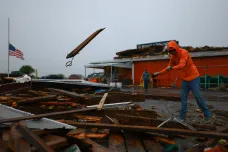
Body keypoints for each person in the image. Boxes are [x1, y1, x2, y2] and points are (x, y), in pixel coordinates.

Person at [152, 40, 214, 122]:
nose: (172, 52)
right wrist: (159, 73)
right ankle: (182, 117)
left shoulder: (184, 52)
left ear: (176, 48)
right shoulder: (173, 58)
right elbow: (168, 68)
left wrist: (172, 68)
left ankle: (207, 115)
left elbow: (182, 65)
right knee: (183, 97)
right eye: (170, 51)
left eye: (173, 50)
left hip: (194, 78)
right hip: (185, 79)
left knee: (198, 96)